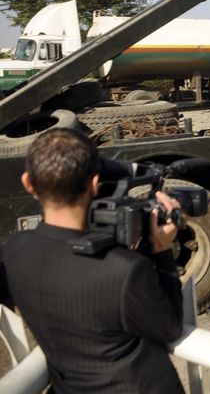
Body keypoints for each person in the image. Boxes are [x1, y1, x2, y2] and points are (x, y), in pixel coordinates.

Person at [4, 128, 184, 393]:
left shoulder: (15, 249)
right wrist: (162, 250)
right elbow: (169, 327)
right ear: (94, 184)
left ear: (28, 183)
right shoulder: (125, 270)